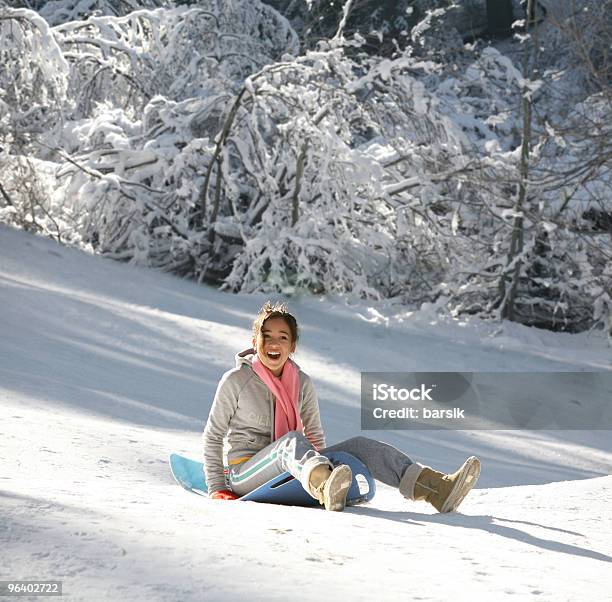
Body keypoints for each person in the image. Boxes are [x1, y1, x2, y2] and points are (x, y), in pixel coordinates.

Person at [203, 301, 481, 512]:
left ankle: (435, 488)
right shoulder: (236, 380)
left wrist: (322, 462)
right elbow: (213, 436)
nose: (274, 343)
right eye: (267, 336)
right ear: (255, 342)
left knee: (359, 445)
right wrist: (218, 487)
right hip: (245, 472)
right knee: (290, 442)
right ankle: (324, 485)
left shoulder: (301, 383)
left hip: (292, 468)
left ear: (293, 346)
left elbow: (313, 439)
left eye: (282, 337)